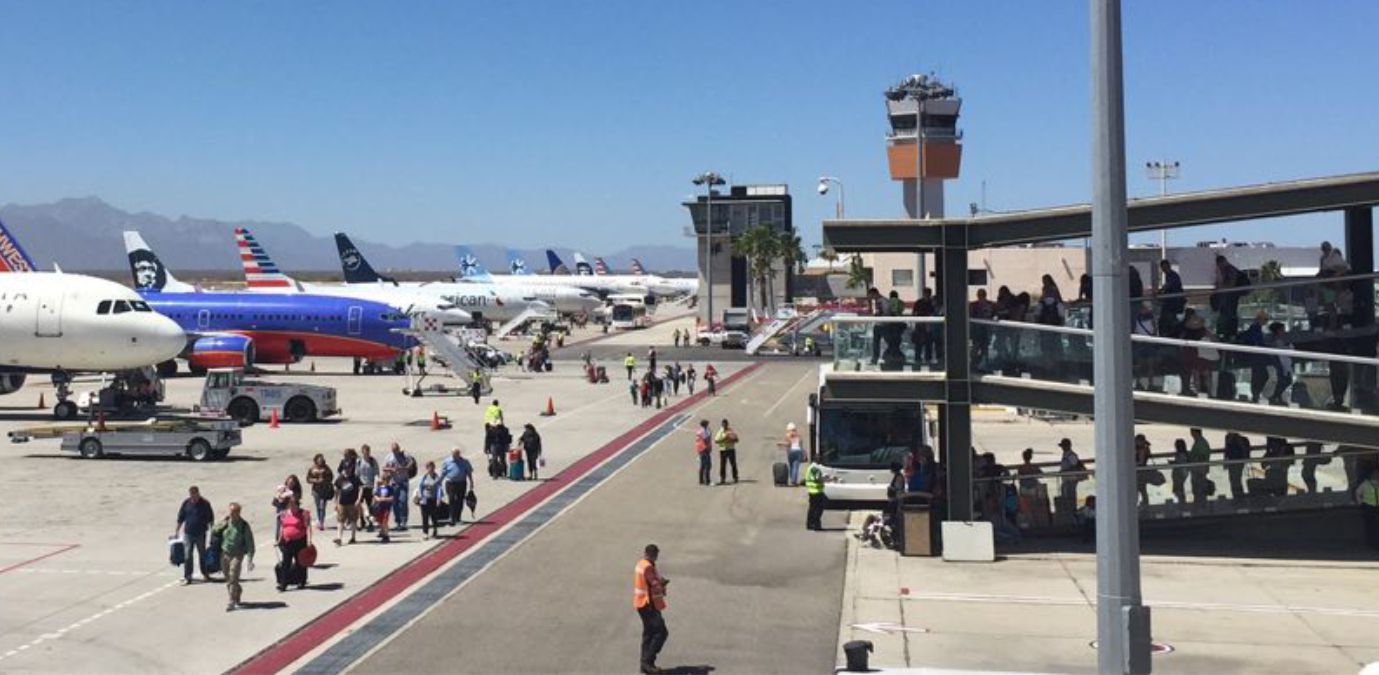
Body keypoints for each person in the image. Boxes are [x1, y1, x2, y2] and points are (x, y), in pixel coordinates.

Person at [633, 544, 670, 674]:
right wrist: (662, 584)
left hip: (641, 604)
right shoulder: (648, 567)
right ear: (654, 555)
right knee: (661, 633)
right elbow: (654, 584)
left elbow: (650, 579)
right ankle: (648, 662)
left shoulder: (641, 564)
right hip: (648, 604)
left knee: (648, 634)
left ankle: (645, 664)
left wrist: (658, 580)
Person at [214, 502, 254, 611]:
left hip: (237, 554)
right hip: (225, 553)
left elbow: (250, 543)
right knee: (228, 578)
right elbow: (214, 530)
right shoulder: (227, 522)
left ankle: (231, 601)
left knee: (233, 576)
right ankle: (237, 590)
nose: (231, 514)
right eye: (230, 511)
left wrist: (250, 559)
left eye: (233, 512)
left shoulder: (244, 526)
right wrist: (222, 522)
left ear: (238, 513)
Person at [175, 486, 215, 585]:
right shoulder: (186, 503)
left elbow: (210, 517)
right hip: (188, 533)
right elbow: (181, 517)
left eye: (195, 495)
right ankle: (188, 576)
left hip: (200, 533)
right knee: (188, 555)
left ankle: (205, 573)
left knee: (202, 554)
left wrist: (212, 530)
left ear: (198, 493)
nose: (193, 498)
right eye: (192, 496)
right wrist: (177, 530)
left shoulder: (205, 503)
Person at [275, 493, 312, 591]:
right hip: (287, 542)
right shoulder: (284, 514)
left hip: (300, 541)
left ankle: (301, 581)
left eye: (293, 504)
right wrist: (279, 540)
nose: (291, 506)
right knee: (286, 563)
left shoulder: (304, 513)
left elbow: (308, 527)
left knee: (300, 562)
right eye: (290, 504)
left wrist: (309, 541)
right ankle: (283, 584)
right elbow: (282, 528)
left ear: (297, 504)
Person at [384, 443, 416, 531]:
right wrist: (391, 469)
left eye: (396, 450)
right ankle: (397, 521)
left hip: (403, 482)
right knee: (395, 503)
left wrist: (405, 468)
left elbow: (411, 462)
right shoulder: (389, 457)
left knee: (403, 501)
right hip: (394, 483)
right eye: (393, 451)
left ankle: (404, 521)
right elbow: (384, 468)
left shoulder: (404, 455)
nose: (395, 452)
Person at [441, 448, 473, 526]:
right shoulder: (447, 462)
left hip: (461, 483)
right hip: (450, 483)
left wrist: (471, 481)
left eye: (457, 454)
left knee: (460, 500)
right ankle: (451, 517)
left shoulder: (465, 462)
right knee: (451, 499)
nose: (455, 456)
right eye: (454, 454)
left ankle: (458, 518)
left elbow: (468, 472)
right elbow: (443, 473)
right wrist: (439, 482)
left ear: (459, 454)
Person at [414, 461, 445, 540]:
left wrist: (439, 499)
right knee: (425, 517)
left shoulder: (437, 478)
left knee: (434, 516)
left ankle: (435, 529)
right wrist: (420, 497)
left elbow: (439, 489)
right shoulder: (424, 477)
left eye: (431, 467)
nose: (430, 469)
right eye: (428, 467)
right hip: (425, 499)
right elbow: (420, 487)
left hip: (433, 499)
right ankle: (425, 532)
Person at [333, 461, 361, 546]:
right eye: (346, 468)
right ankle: (339, 537)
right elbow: (336, 490)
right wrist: (336, 502)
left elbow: (360, 488)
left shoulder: (355, 478)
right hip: (342, 502)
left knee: (353, 520)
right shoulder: (340, 478)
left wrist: (358, 499)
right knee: (340, 520)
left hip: (352, 502)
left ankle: (353, 537)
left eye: (349, 468)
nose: (347, 470)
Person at [306, 454, 334, 531]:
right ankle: (319, 519)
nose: (320, 461)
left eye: (322, 460)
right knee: (318, 506)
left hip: (324, 490)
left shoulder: (326, 468)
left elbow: (331, 477)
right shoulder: (312, 469)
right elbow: (308, 479)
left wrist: (325, 480)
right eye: (319, 460)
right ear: (316, 460)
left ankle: (321, 522)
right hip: (316, 490)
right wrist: (315, 480)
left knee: (322, 506)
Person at [1158, 259, 1186, 336]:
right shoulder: (1169, 275)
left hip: (1174, 302)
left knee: (1169, 319)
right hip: (1172, 302)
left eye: (1165, 267)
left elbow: (1169, 285)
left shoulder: (1173, 275)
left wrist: (1161, 291)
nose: (1164, 269)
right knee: (1167, 319)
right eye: (1163, 268)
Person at [1356, 465, 1379, 551]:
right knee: (1370, 527)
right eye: (1374, 474)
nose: (1376, 476)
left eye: (1377, 474)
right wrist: (1361, 503)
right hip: (1369, 508)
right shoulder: (1365, 484)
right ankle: (1371, 543)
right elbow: (1358, 493)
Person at [1187, 427, 1213, 502]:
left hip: (1199, 470)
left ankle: (1200, 506)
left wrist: (1192, 459)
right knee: (1198, 489)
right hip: (1199, 470)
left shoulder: (1200, 442)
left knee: (1199, 490)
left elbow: (1201, 457)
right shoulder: (1199, 442)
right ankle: (1200, 504)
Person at [357, 445, 379, 530]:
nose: (366, 453)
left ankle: (370, 521)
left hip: (370, 486)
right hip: (361, 487)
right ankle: (361, 519)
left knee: (370, 505)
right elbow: (357, 474)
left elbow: (376, 474)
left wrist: (376, 486)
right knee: (359, 504)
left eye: (368, 452)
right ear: (362, 452)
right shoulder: (359, 461)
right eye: (364, 452)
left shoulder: (373, 461)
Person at [1057, 438, 1084, 506]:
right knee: (1067, 496)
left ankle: (1071, 510)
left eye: (1064, 446)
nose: (1062, 448)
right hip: (1067, 479)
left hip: (1071, 479)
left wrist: (1065, 471)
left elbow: (1074, 465)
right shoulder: (1066, 454)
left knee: (1070, 496)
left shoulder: (1071, 455)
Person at [1223, 432, 1250, 499]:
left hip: (1237, 462)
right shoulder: (1228, 437)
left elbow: (1242, 450)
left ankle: (1239, 498)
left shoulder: (1239, 439)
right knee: (1233, 480)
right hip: (1232, 462)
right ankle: (1237, 497)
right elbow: (1227, 450)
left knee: (1236, 480)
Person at [778, 422, 805, 486]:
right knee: (796, 466)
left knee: (791, 466)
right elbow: (801, 446)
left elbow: (788, 444)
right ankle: (794, 481)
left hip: (791, 452)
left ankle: (792, 479)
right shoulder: (798, 436)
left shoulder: (788, 435)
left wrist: (781, 444)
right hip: (798, 451)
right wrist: (803, 453)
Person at [714, 419, 739, 484]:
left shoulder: (731, 431)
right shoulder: (720, 432)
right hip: (723, 450)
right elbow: (716, 441)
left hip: (731, 449)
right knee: (722, 465)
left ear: (727, 424)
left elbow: (737, 440)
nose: (724, 425)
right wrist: (724, 439)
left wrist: (731, 439)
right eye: (723, 424)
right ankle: (722, 478)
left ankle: (735, 477)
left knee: (733, 464)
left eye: (725, 424)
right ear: (722, 424)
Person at [371, 474, 395, 543]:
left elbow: (392, 498)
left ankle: (386, 535)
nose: (386, 481)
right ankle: (383, 533)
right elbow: (375, 496)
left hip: (386, 507)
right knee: (380, 521)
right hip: (380, 507)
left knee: (385, 521)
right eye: (384, 480)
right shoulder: (379, 488)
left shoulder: (390, 488)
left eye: (387, 480)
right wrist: (378, 499)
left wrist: (384, 499)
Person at [804, 459, 825, 531]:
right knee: (818, 509)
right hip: (816, 491)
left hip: (811, 491)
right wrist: (825, 479)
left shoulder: (810, 467)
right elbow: (817, 479)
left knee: (812, 508)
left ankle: (810, 524)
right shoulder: (815, 468)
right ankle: (816, 524)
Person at [1170, 439, 1191, 504]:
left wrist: (1174, 463)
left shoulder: (1181, 455)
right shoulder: (1184, 454)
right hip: (1182, 474)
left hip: (1180, 474)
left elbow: (1180, 464)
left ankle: (1182, 504)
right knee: (1180, 490)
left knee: (1179, 490)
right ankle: (1182, 503)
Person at [694, 419, 713, 486]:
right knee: (708, 465)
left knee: (702, 465)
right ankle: (707, 481)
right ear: (705, 425)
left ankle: (701, 480)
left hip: (700, 449)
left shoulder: (699, 431)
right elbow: (706, 440)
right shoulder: (704, 431)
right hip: (704, 449)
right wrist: (709, 447)